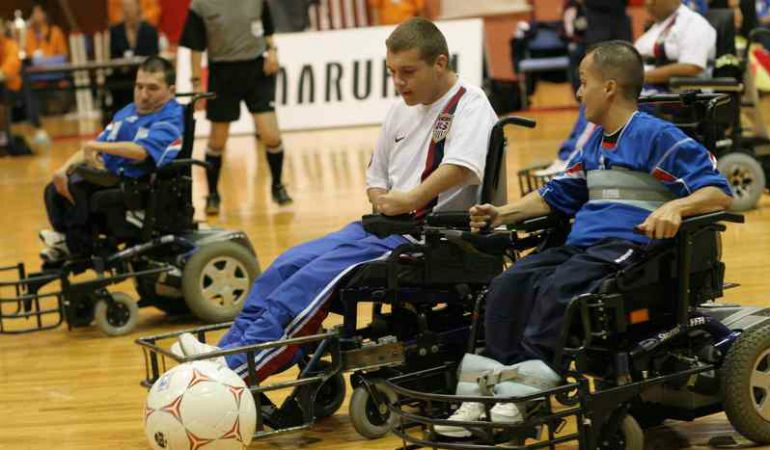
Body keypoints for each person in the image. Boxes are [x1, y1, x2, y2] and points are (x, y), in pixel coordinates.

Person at [171, 18, 500, 383]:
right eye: (392, 72)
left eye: (408, 72)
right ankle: (228, 349)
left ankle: (234, 373)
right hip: (382, 226)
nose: (399, 82)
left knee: (311, 280)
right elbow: (376, 176)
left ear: (440, 63)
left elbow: (461, 166)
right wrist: (381, 197)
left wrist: (408, 199)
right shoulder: (400, 108)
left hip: (427, 236)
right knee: (285, 265)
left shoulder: (470, 103)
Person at [435, 41, 732, 436]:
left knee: (561, 288)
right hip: (582, 247)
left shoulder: (658, 136)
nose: (578, 92)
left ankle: (524, 395)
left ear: (609, 87)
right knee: (509, 283)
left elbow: (718, 190)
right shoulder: (595, 142)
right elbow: (555, 194)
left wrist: (675, 208)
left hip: (630, 247)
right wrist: (500, 214)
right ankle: (485, 391)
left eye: (583, 82)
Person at [40, 56, 183, 262]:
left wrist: (98, 147)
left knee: (78, 188)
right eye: (139, 86)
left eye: (152, 88)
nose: (143, 95)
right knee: (55, 187)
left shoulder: (170, 118)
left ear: (170, 91)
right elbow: (93, 146)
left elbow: (141, 151)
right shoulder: (127, 112)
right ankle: (66, 239)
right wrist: (63, 169)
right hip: (110, 176)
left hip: (138, 186)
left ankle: (79, 248)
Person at [180, 0, 292, 214]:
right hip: (222, 73)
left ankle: (277, 185)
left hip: (257, 70)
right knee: (217, 141)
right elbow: (195, 46)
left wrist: (272, 52)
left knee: (271, 136)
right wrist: (196, 83)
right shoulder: (201, 5)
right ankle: (212, 194)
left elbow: (267, 27)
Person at [635, 0, 717, 90]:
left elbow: (692, 67)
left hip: (678, 95)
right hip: (648, 88)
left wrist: (639, 77)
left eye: (653, 0)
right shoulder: (659, 25)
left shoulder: (693, 23)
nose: (649, 3)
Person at [108, 0, 160, 117]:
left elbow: (154, 56)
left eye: (130, 7)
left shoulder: (150, 30)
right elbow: (113, 56)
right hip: (123, 77)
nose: (128, 11)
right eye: (125, 8)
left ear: (138, 8)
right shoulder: (115, 31)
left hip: (145, 75)